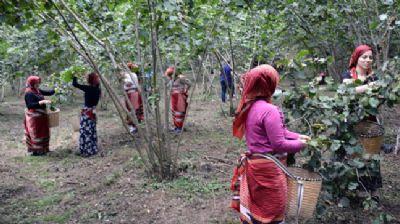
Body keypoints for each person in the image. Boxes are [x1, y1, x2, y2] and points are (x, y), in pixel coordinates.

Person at [230, 65, 309, 224]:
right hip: (269, 171)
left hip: (256, 166)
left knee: (258, 207)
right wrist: (301, 145)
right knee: (274, 210)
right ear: (270, 85)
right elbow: (279, 143)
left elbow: (280, 132)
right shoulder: (269, 110)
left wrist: (298, 136)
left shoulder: (251, 107)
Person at [342, 44, 382, 201]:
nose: (368, 60)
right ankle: (356, 190)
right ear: (357, 58)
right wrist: (369, 87)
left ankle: (372, 191)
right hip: (352, 121)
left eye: (370, 57)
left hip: (370, 121)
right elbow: (348, 90)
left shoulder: (374, 77)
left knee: (371, 154)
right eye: (364, 57)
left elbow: (378, 98)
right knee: (355, 155)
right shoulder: (348, 74)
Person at [24, 75, 55, 156]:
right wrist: (41, 102)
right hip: (34, 118)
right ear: (32, 83)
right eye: (37, 83)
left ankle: (44, 149)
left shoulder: (37, 90)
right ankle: (36, 151)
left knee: (44, 132)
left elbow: (48, 92)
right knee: (37, 134)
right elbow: (30, 106)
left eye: (38, 83)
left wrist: (57, 89)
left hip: (42, 117)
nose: (38, 84)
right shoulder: (28, 93)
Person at [72, 72, 101, 157]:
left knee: (85, 131)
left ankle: (86, 150)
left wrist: (74, 75)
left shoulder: (88, 88)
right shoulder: (98, 89)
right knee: (92, 131)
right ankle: (93, 149)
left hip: (86, 113)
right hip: (93, 112)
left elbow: (75, 84)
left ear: (90, 80)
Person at [165, 66, 191, 133]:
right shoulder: (171, 80)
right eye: (169, 75)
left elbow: (189, 84)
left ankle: (180, 128)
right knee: (174, 112)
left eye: (171, 75)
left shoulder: (181, 78)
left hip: (180, 97)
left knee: (180, 112)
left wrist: (185, 91)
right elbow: (168, 87)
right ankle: (177, 127)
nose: (170, 77)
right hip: (174, 98)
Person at [123, 62, 144, 134]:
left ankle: (134, 126)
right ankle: (136, 125)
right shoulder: (133, 74)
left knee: (132, 110)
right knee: (135, 109)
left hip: (131, 93)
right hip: (134, 93)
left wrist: (123, 78)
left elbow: (128, 84)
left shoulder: (128, 75)